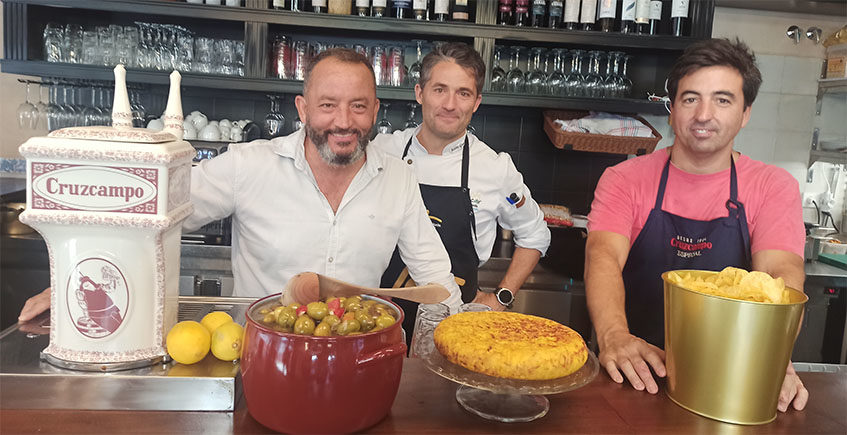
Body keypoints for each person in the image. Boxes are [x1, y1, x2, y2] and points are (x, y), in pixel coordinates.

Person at [18, 48, 463, 322]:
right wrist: (73, 282)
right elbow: (150, 211)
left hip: (354, 358)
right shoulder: (248, 165)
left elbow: (435, 275)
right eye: (328, 105)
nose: (344, 122)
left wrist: (465, 326)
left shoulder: (398, 178)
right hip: (257, 357)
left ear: (375, 110)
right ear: (302, 109)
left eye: (358, 107)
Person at [584, 38, 808, 413]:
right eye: (690, 99)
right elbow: (602, 255)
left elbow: (780, 275)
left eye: (722, 99)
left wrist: (772, 355)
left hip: (733, 375)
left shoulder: (772, 186)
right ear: (672, 110)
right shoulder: (624, 179)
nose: (703, 114)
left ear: (745, 112)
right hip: (632, 370)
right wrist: (613, 336)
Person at [371, 42, 550, 314]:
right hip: (380, 315)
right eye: (440, 90)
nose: (450, 105)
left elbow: (535, 234)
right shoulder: (382, 152)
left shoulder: (495, 169)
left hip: (456, 321)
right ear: (420, 93)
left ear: (477, 102)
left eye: (463, 93)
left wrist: (502, 296)